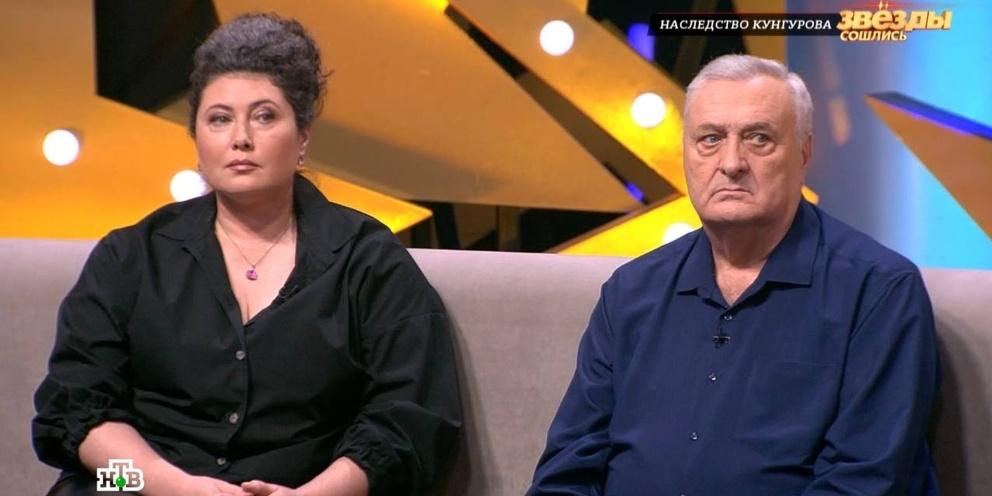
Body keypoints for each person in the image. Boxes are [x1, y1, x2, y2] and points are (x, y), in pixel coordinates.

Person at [33, 13, 460, 496]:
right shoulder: (129, 257)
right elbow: (70, 418)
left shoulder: (367, 260)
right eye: (219, 119)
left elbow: (413, 421)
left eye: (264, 116)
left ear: (303, 136)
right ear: (197, 138)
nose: (240, 138)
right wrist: (168, 485)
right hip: (140, 486)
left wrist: (315, 495)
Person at [528, 54, 940, 495]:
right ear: (685, 154)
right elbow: (570, 467)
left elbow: (863, 481)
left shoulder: (878, 291)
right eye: (710, 139)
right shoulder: (630, 291)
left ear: (804, 153)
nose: (731, 163)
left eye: (758, 138)